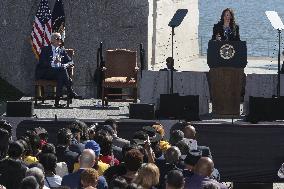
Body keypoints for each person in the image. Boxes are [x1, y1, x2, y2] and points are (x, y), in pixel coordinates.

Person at [35, 32, 80, 107]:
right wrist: (53, 63)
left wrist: (65, 65)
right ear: (52, 41)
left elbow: (71, 62)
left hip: (59, 73)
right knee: (62, 71)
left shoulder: (62, 50)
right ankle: (70, 91)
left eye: (60, 38)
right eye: (58, 38)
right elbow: (42, 63)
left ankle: (57, 102)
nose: (60, 40)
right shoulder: (45, 49)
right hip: (47, 73)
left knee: (61, 75)